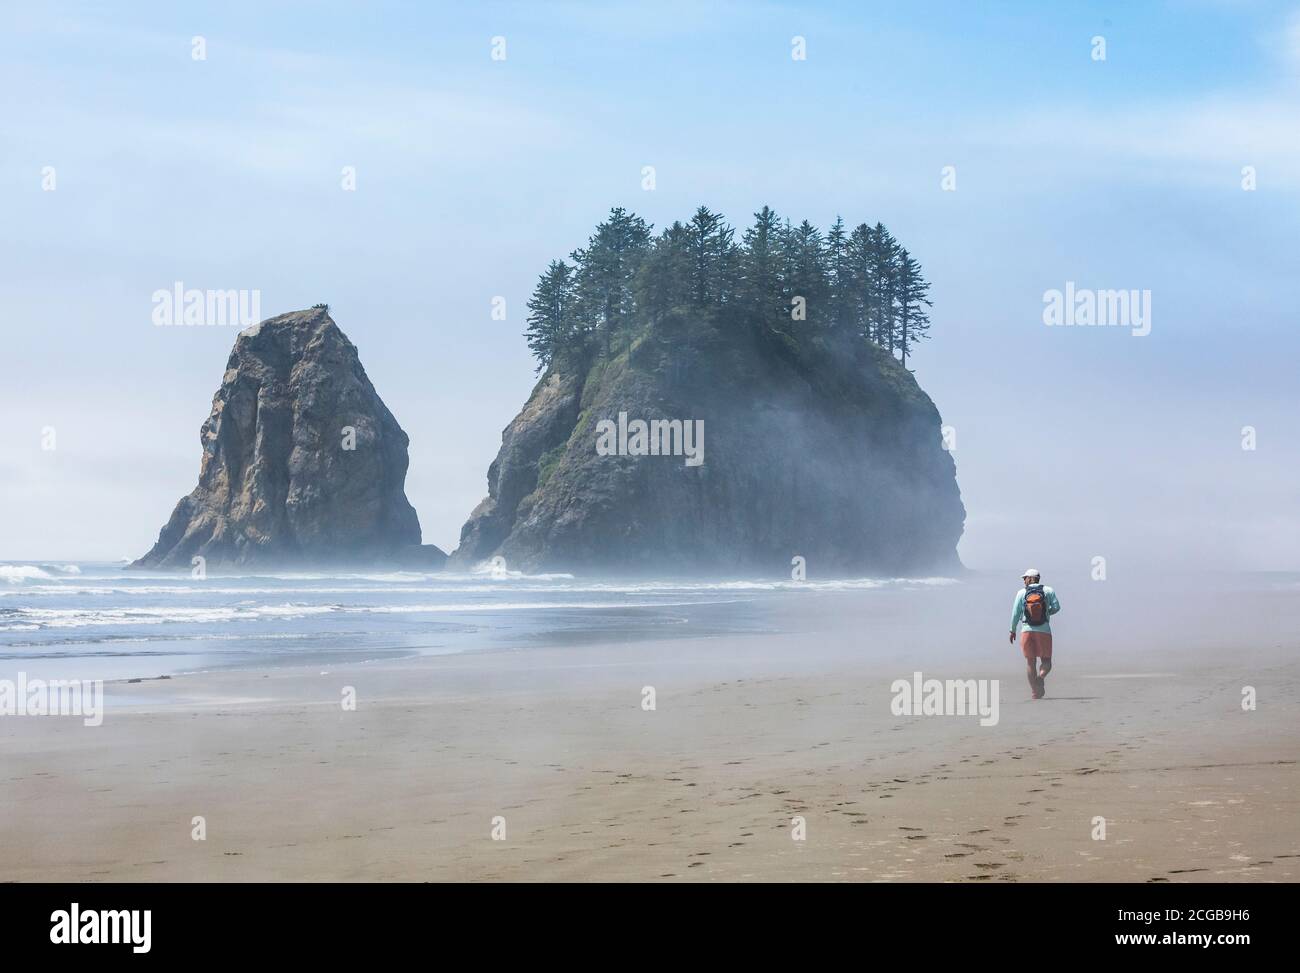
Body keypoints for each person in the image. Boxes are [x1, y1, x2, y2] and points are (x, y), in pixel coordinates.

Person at [1009, 568, 1060, 699]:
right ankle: (1041, 676)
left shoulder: (1021, 593)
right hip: (1043, 630)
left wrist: (1012, 630)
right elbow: (1056, 607)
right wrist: (1047, 613)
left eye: (1024, 578)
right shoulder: (1048, 590)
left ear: (1029, 578)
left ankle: (1035, 692)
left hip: (1026, 630)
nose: (1023, 581)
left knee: (1030, 663)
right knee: (1046, 661)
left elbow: (1016, 613)